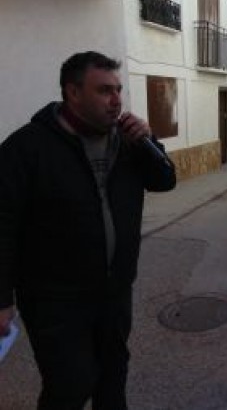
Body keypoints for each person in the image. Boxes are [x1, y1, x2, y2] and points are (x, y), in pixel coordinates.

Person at [0, 51, 176, 409]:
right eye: (104, 91)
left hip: (114, 290)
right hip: (54, 298)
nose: (116, 101)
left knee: (113, 376)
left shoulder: (128, 142)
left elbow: (166, 180)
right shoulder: (26, 148)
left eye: (118, 90)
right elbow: (2, 223)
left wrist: (148, 143)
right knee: (71, 383)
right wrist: (2, 298)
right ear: (73, 92)